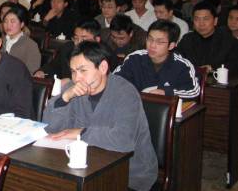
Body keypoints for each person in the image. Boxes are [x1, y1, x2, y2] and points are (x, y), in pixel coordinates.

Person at [42, 41, 158, 191]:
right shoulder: (73, 89)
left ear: (103, 67)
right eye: (73, 71)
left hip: (129, 175)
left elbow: (124, 141)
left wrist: (81, 132)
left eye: (83, 70)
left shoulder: (125, 92)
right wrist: (64, 98)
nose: (77, 78)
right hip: (84, 168)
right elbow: (51, 129)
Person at [114, 20, 199, 99]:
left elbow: (194, 92)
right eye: (150, 39)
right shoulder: (134, 58)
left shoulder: (182, 65)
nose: (152, 45)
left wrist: (166, 92)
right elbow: (114, 81)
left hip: (165, 108)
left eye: (159, 42)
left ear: (171, 45)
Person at [35, 19, 117, 79]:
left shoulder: (106, 55)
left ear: (97, 40)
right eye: (76, 38)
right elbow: (54, 66)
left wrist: (70, 83)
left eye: (84, 39)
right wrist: (42, 72)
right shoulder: (67, 48)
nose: (79, 43)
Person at [178, 1, 238, 73]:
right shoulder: (187, 39)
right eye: (197, 19)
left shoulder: (229, 41)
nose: (201, 24)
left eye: (206, 19)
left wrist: (213, 68)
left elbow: (233, 64)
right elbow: (177, 59)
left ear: (215, 21)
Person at [1, 4, 41, 74]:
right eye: (5, 21)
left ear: (22, 24)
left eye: (12, 21)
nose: (8, 25)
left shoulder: (31, 45)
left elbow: (31, 70)